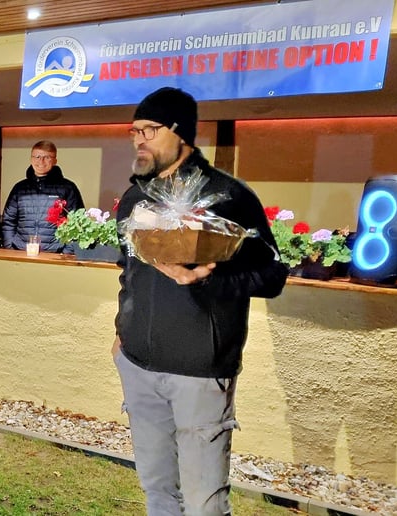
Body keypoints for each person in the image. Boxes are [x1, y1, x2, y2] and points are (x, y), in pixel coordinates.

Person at [113, 87, 288, 516]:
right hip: (138, 366)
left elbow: (272, 275)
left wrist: (208, 280)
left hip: (199, 373)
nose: (139, 139)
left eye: (149, 130)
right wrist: (122, 331)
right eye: (134, 131)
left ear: (181, 133)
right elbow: (129, 270)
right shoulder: (137, 199)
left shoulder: (229, 198)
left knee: (203, 503)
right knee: (157, 490)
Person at [1, 141, 84, 252]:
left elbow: (77, 222)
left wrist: (67, 252)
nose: (41, 161)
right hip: (21, 251)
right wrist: (10, 247)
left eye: (47, 157)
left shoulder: (67, 188)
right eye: (37, 156)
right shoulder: (20, 188)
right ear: (31, 159)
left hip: (55, 253)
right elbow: (8, 220)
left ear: (55, 161)